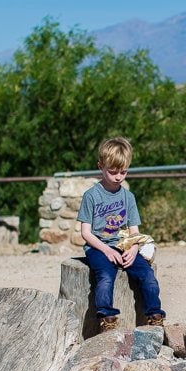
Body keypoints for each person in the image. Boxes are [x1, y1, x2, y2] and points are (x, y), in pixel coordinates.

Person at [77, 136, 165, 332]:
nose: (118, 177)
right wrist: (106, 251)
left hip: (124, 244)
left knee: (147, 275)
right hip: (98, 246)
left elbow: (134, 231)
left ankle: (155, 316)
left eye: (123, 172)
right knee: (106, 277)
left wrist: (134, 249)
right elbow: (86, 233)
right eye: (113, 172)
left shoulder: (128, 197)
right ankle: (107, 319)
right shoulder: (91, 196)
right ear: (101, 166)